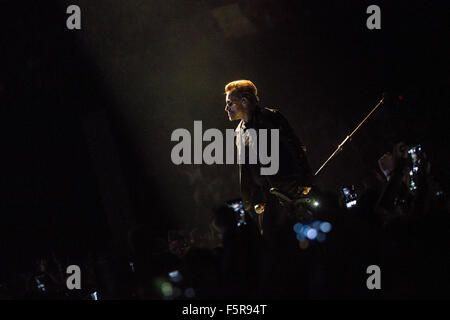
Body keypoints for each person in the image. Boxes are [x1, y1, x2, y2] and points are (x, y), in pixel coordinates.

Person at [224, 80, 314, 298]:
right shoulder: (239, 131)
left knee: (302, 235)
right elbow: (244, 168)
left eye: (230, 103)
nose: (227, 108)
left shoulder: (270, 118)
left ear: (244, 101)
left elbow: (294, 145)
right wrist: (251, 199)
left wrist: (305, 178)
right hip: (266, 195)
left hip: (289, 187)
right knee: (273, 244)